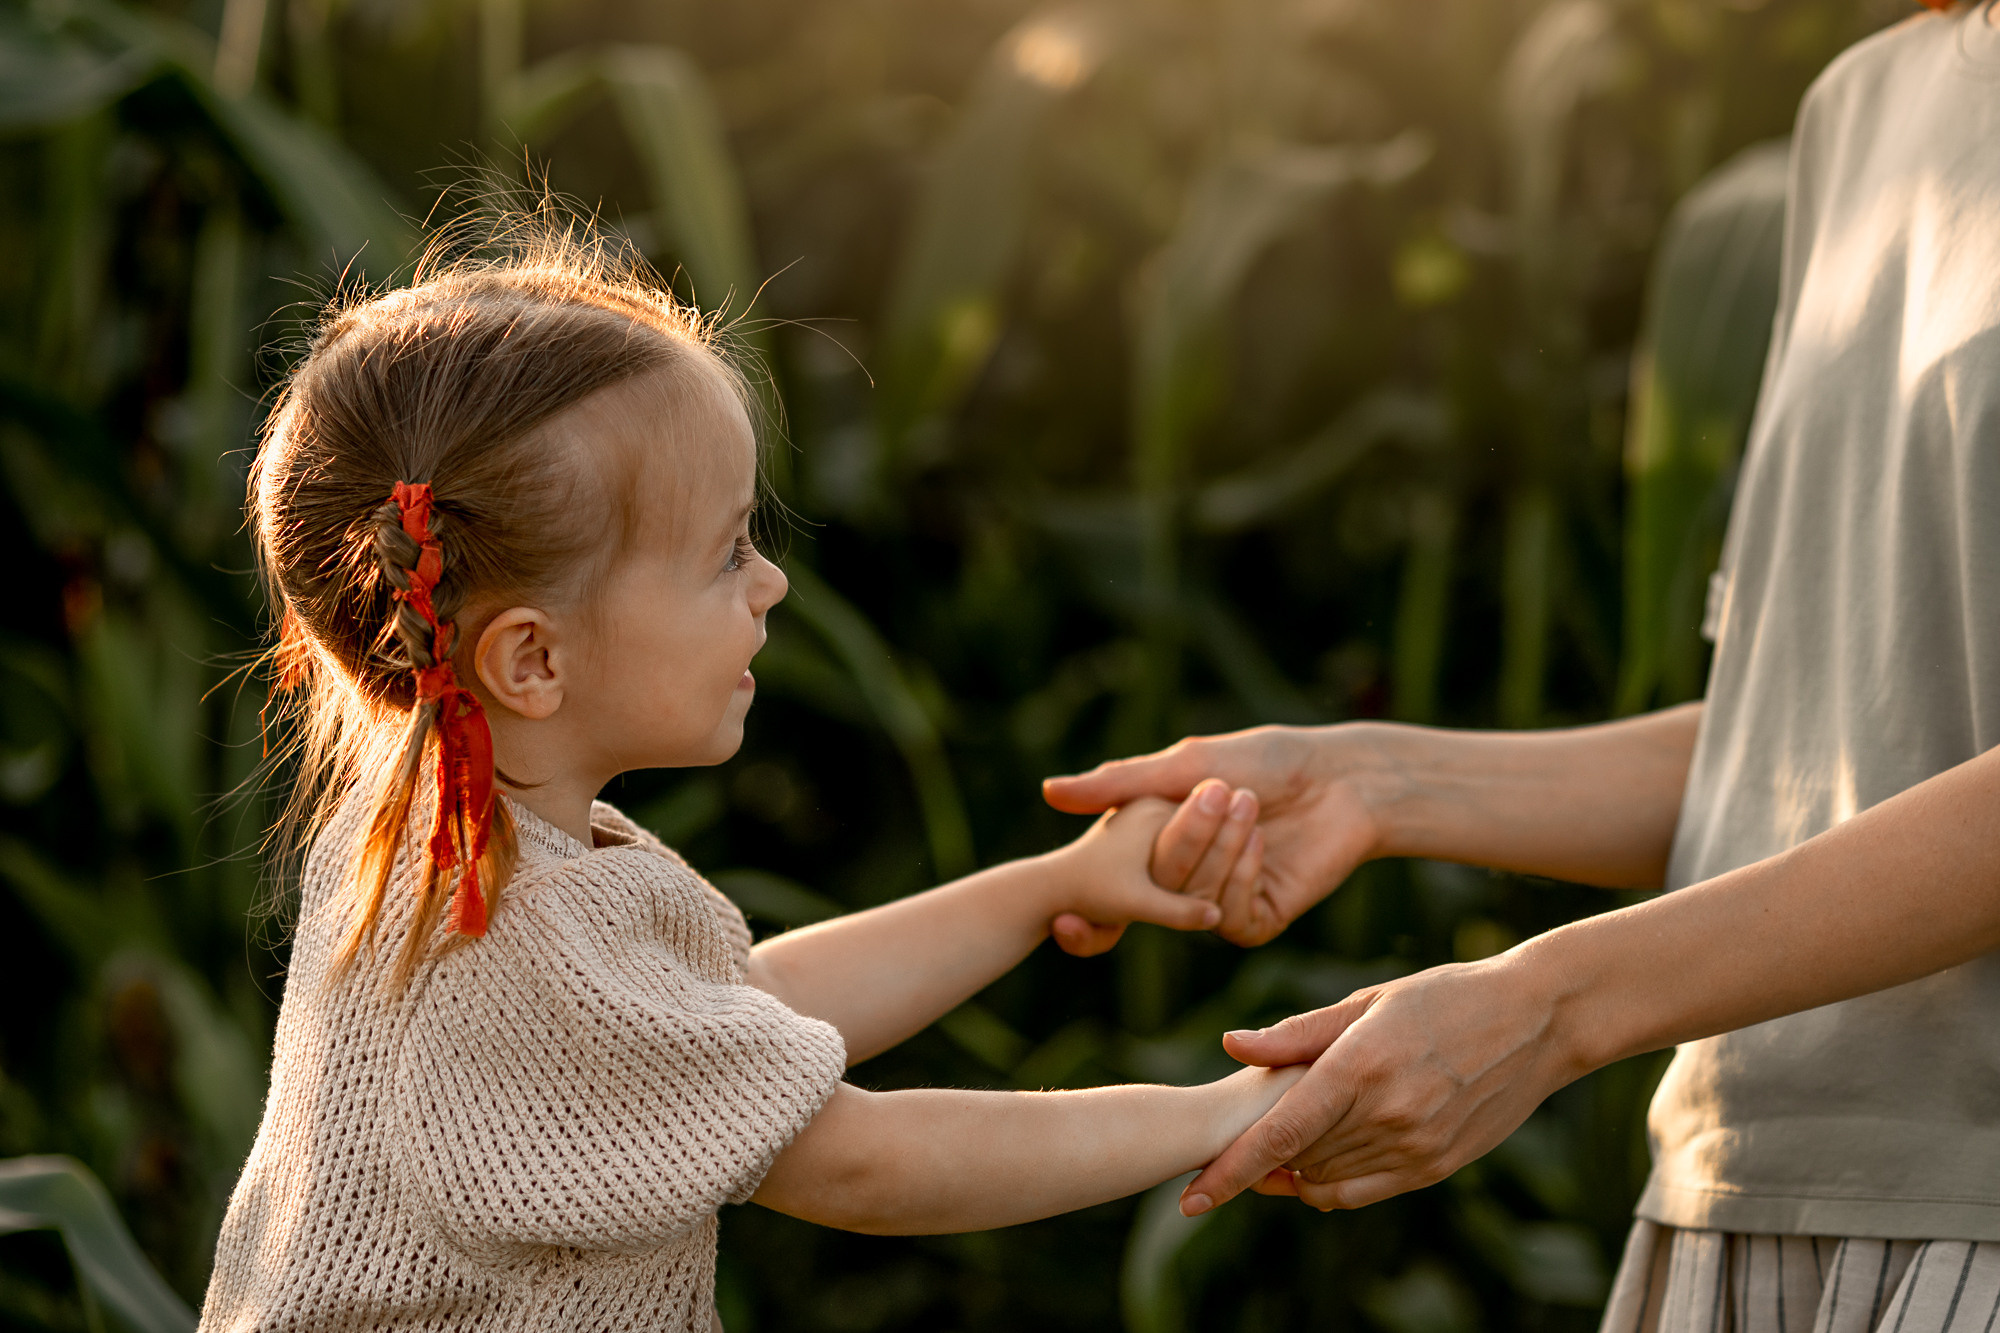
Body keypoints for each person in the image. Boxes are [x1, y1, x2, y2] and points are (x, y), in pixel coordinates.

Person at [1047, 2, 2000, 1329]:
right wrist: (1376, 782)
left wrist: (1549, 1008)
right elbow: (1821, 740)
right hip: (1745, 1199)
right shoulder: (1865, 107)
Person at [203, 226, 1292, 1332]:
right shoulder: (511, 943)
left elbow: (739, 1011)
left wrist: (1053, 885)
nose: (769, 582)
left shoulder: (466, 844)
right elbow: (861, 1165)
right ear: (532, 660)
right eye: (725, 552)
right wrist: (1229, 1113)